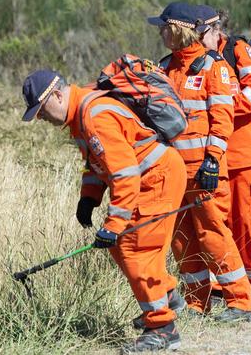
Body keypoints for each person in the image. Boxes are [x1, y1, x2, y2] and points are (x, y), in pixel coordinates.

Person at [21, 69, 186, 352]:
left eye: (41, 110)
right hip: (148, 178)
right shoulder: (80, 115)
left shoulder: (95, 116)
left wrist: (113, 224)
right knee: (122, 246)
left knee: (137, 249)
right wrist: (89, 197)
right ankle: (167, 296)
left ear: (57, 95)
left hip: (156, 178)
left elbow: (125, 175)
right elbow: (98, 164)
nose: (40, 118)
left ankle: (161, 327)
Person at [148, 2, 251, 322]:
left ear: (179, 29)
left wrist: (212, 161)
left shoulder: (214, 66)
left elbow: (223, 120)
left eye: (164, 27)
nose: (161, 33)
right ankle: (197, 303)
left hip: (204, 170)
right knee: (181, 238)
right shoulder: (164, 67)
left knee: (212, 233)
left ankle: (240, 301)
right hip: (173, 170)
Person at [195, 4, 251, 313]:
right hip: (213, 158)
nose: (196, 39)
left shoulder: (240, 51)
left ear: (216, 30)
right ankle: (222, 288)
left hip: (245, 157)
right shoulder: (194, 59)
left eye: (201, 33)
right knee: (218, 225)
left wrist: (218, 107)